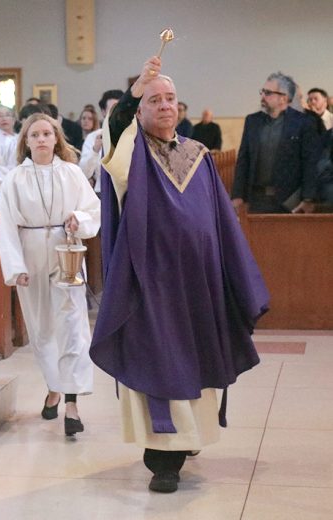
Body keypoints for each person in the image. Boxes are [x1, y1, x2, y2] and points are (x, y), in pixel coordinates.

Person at [90, 55, 269, 494]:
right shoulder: (131, 152)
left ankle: (189, 439)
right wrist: (136, 89)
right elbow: (116, 130)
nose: (165, 106)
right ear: (140, 110)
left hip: (198, 282)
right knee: (161, 361)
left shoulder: (198, 154)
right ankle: (162, 461)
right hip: (151, 284)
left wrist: (232, 273)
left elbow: (220, 218)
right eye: (154, 100)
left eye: (170, 98)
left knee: (197, 357)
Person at [0, 113, 100, 437]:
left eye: (47, 133)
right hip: (30, 254)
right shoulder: (15, 178)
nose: (41, 139)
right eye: (35, 135)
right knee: (42, 328)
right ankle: (54, 386)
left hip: (65, 250)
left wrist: (78, 219)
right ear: (26, 141)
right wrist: (15, 267)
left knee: (72, 325)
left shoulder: (71, 172)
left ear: (56, 138)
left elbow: (93, 209)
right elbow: (7, 225)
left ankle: (72, 404)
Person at [231, 72, 322, 214]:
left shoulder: (303, 123)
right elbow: (243, 159)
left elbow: (310, 162)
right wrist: (237, 195)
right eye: (262, 92)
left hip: (290, 201)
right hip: (257, 199)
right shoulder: (252, 121)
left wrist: (308, 198)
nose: (262, 96)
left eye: (268, 93)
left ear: (283, 98)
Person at [79, 89, 124, 191]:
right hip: (102, 192)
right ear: (103, 112)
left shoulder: (133, 135)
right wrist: (95, 150)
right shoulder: (93, 137)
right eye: (112, 109)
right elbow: (84, 173)